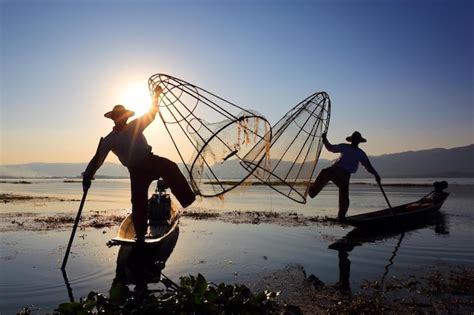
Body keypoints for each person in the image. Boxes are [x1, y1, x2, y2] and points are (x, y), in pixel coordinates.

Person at [82, 85, 195, 242]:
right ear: (114, 118)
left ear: (126, 117)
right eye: (118, 116)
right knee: (138, 202)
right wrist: (88, 175)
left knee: (171, 167)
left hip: (150, 161)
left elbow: (152, 114)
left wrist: (156, 95)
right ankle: (140, 236)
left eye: (122, 115)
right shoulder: (110, 139)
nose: (121, 118)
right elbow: (98, 159)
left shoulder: (135, 125)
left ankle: (187, 198)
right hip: (136, 171)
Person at [308, 131, 380, 220]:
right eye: (354, 139)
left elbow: (368, 166)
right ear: (352, 140)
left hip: (345, 176)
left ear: (359, 141)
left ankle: (341, 216)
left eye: (357, 140)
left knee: (344, 196)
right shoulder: (345, 147)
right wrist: (325, 139)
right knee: (324, 173)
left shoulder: (361, 153)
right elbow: (331, 148)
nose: (355, 141)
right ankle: (312, 192)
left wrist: (376, 175)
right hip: (335, 170)